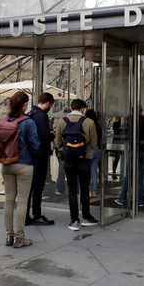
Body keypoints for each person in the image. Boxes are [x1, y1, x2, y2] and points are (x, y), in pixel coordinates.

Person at [1, 91, 41, 248]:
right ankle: (20, 237)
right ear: (25, 105)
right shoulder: (28, 122)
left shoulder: (4, 119)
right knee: (22, 200)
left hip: (6, 163)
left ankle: (9, 236)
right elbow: (35, 145)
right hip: (24, 163)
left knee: (8, 200)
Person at [54, 99, 99, 231]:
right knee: (85, 188)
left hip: (69, 159)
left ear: (71, 108)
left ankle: (74, 220)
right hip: (84, 158)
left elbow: (58, 142)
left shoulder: (62, 121)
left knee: (72, 189)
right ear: (83, 108)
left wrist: (67, 149)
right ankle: (86, 217)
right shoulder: (89, 122)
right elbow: (94, 143)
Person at [115, 107, 144, 207]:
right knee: (143, 177)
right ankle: (141, 200)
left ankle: (122, 197)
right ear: (142, 111)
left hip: (134, 150)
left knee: (129, 175)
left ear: (132, 112)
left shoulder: (129, 122)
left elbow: (125, 136)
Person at [26, 92, 56, 226]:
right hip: (40, 154)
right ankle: (37, 214)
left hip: (30, 154)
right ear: (48, 103)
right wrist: (52, 135)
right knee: (38, 184)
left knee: (29, 185)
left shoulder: (30, 113)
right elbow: (44, 136)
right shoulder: (41, 116)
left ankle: (25, 213)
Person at [85, 109, 102, 199]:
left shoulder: (87, 124)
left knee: (87, 170)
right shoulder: (98, 126)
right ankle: (94, 190)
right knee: (94, 170)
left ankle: (88, 189)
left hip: (90, 149)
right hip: (98, 149)